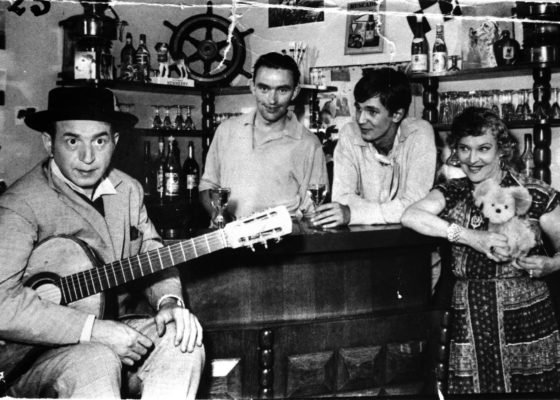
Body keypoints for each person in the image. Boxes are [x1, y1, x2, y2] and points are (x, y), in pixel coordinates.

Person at [0, 86, 204, 398]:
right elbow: (2, 306)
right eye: (72, 141)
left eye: (99, 140)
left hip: (118, 326)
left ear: (115, 142)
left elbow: (150, 253)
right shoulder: (21, 204)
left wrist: (170, 303)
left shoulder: (129, 190)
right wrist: (92, 331)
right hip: (33, 356)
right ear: (48, 143)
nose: (87, 157)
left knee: (184, 341)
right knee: (97, 358)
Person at [401, 107, 560, 394]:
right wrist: (470, 237)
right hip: (468, 315)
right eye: (464, 149)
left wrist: (551, 265)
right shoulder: (454, 191)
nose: (472, 160)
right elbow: (411, 215)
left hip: (526, 316)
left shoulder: (535, 193)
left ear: (503, 150)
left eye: (483, 149)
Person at [199, 52, 328, 221]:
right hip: (230, 240)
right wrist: (218, 215)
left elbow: (313, 212)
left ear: (295, 91)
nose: (272, 100)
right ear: (252, 86)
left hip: (283, 243)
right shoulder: (226, 130)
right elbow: (208, 186)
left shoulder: (309, 144)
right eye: (264, 88)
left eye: (282, 90)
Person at [311, 67, 436, 228]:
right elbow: (342, 199)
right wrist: (391, 210)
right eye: (358, 109)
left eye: (371, 111)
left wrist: (353, 214)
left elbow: (415, 206)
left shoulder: (419, 133)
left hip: (410, 243)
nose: (361, 119)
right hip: (362, 241)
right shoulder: (349, 134)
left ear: (397, 114)